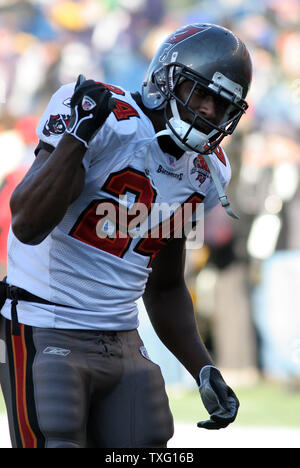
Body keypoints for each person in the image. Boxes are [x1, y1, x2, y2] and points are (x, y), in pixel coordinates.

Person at [0, 23, 252, 448]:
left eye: (221, 104)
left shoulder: (205, 171)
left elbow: (166, 286)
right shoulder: (102, 115)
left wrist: (202, 367)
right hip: (45, 324)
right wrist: (77, 138)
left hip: (121, 336)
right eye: (200, 92)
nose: (209, 111)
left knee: (148, 443)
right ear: (165, 79)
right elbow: (27, 224)